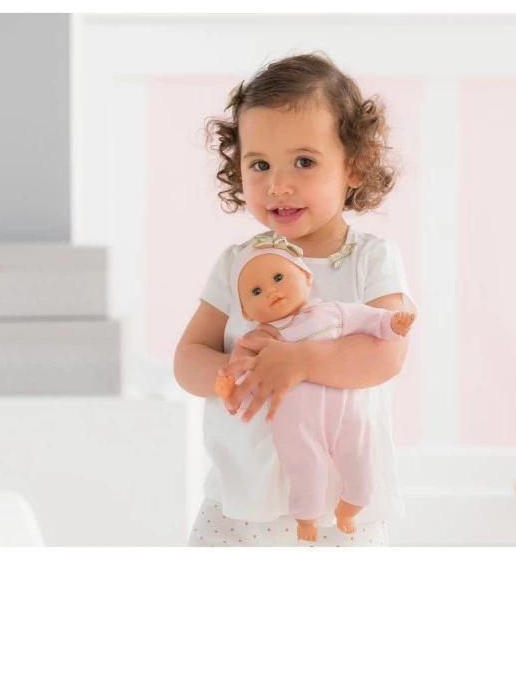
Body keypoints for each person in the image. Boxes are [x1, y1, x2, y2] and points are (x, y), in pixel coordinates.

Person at [173, 52, 417, 547]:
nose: (278, 185)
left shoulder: (370, 259)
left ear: (354, 166)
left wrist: (300, 361)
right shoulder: (237, 264)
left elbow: (386, 353)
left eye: (304, 162)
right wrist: (227, 372)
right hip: (241, 499)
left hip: (340, 508)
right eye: (259, 164)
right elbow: (187, 358)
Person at [216, 239, 416, 542]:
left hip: (347, 413)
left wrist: (393, 325)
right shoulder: (256, 340)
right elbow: (248, 384)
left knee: (360, 459)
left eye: (279, 277)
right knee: (305, 468)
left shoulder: (333, 313)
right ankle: (306, 518)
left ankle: (351, 506)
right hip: (296, 424)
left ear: (307, 278)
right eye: (256, 292)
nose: (271, 291)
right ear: (246, 312)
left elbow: (372, 320)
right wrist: (230, 391)